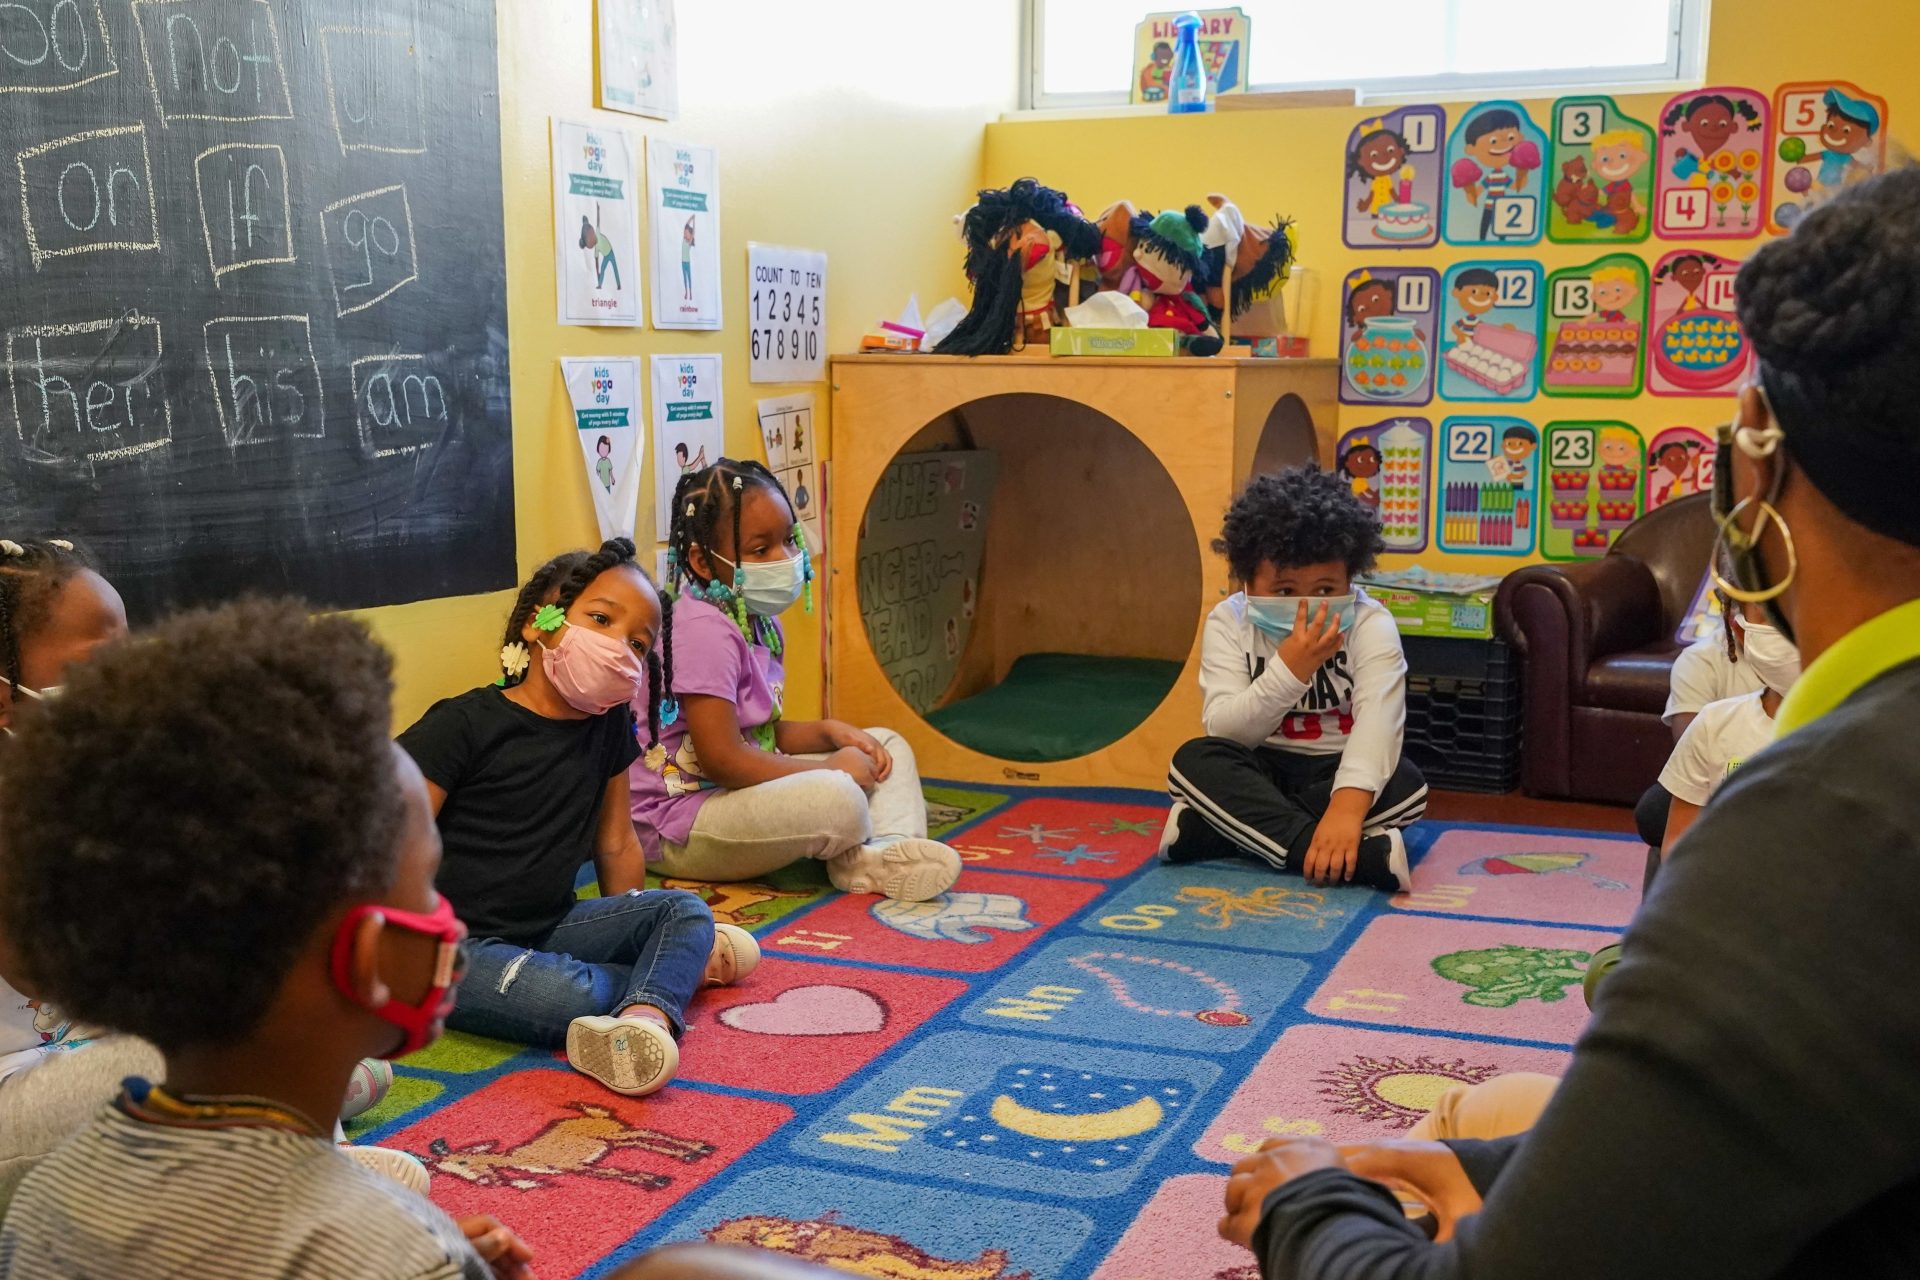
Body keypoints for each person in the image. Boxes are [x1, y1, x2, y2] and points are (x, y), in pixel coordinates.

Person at [1221, 165, 1920, 1278]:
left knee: (1452, 1127)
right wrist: (1509, 1179)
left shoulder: (1826, 823)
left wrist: (1305, 1201)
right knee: (1491, 1114)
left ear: (1755, 456)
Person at [0, 599, 530, 1278]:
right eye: (428, 882)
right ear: (364, 959)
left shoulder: (47, 1196)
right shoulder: (403, 1255)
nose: (446, 914)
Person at [399, 538, 756, 1099]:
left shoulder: (608, 729)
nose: (620, 648)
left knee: (684, 909)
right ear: (541, 621)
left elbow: (615, 844)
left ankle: (645, 1020)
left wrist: (632, 922)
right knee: (572, 998)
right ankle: (668, 976)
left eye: (638, 645)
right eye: (600, 619)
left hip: (547, 926)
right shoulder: (462, 725)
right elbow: (390, 846)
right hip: (447, 948)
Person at [634, 459, 962, 900]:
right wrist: (829, 767)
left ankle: (880, 853)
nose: (786, 558)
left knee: (886, 745)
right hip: (682, 821)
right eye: (760, 548)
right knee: (838, 795)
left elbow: (757, 731)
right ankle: (859, 848)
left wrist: (826, 732)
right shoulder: (701, 630)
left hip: (735, 790)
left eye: (789, 540)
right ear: (703, 563)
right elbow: (722, 758)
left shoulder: (757, 619)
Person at [1161, 466, 1426, 891]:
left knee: (1407, 784)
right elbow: (1226, 732)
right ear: (1247, 582)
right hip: (1260, 768)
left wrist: (1345, 810)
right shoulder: (1229, 621)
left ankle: (1220, 832)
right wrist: (1291, 669)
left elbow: (1379, 722)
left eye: (1325, 591)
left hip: (1337, 771)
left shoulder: (1371, 623)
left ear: (1351, 580)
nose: (1307, 607)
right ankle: (1335, 854)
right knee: (1192, 763)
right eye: (1284, 592)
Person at [1631, 572, 1765, 863]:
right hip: (1722, 780)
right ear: (1734, 621)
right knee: (1655, 811)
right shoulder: (1701, 661)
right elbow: (1689, 747)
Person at [1658, 599, 1800, 854]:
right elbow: (1678, 843)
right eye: (1769, 613)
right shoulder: (1715, 724)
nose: (1787, 627)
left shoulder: (1866, 727)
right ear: (1742, 632)